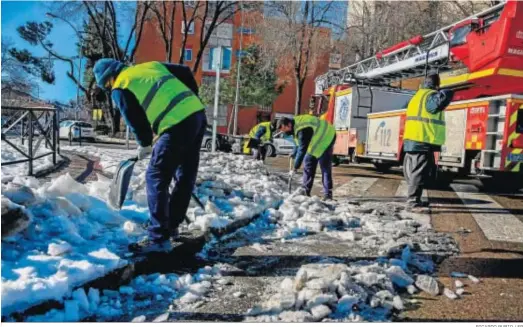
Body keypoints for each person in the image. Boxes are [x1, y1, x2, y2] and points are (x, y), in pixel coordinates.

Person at [93, 59, 207, 253]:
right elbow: (186, 71)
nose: (108, 88)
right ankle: (171, 225)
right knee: (185, 175)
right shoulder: (150, 66)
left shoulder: (120, 85)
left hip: (175, 123)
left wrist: (144, 144)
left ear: (109, 78)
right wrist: (191, 99)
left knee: (156, 176)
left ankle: (158, 237)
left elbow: (134, 118)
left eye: (106, 85)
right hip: (197, 115)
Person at [403, 71, 453, 212]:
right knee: (418, 172)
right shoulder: (429, 96)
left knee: (419, 171)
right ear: (435, 85)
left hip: (416, 139)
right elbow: (435, 105)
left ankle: (415, 200)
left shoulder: (418, 96)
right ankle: (412, 203)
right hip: (421, 139)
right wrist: (448, 91)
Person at [278, 115, 336, 200]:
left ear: (289, 125)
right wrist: (294, 153)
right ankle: (306, 191)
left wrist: (295, 167)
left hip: (327, 137)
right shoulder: (295, 126)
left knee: (324, 166)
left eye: (284, 129)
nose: (283, 132)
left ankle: (327, 194)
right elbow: (299, 144)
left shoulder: (303, 129)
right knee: (308, 163)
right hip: (316, 138)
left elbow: (302, 149)